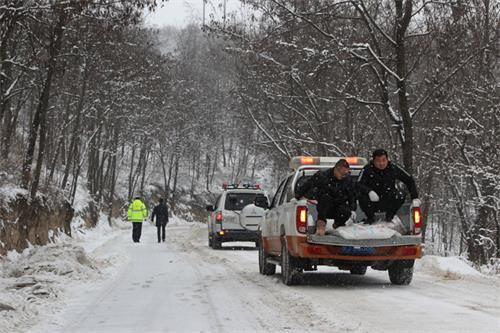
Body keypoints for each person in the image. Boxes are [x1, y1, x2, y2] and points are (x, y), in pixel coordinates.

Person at [295, 159, 360, 236]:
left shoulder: (348, 180)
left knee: (346, 210)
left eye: (346, 173)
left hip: (339, 207)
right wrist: (298, 196)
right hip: (324, 208)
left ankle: (338, 226)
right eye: (342, 173)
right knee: (325, 198)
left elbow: (352, 196)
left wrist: (353, 209)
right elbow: (307, 185)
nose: (344, 176)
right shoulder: (322, 176)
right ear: (336, 169)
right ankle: (321, 225)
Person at [358, 149, 420, 224]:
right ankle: (370, 218)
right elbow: (358, 184)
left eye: (384, 160)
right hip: (371, 203)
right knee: (361, 194)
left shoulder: (393, 168)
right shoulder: (367, 169)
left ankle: (389, 217)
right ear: (373, 161)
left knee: (400, 194)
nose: (381, 163)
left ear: (387, 159)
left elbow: (409, 179)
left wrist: (415, 197)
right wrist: (369, 192)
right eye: (378, 161)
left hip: (388, 201)